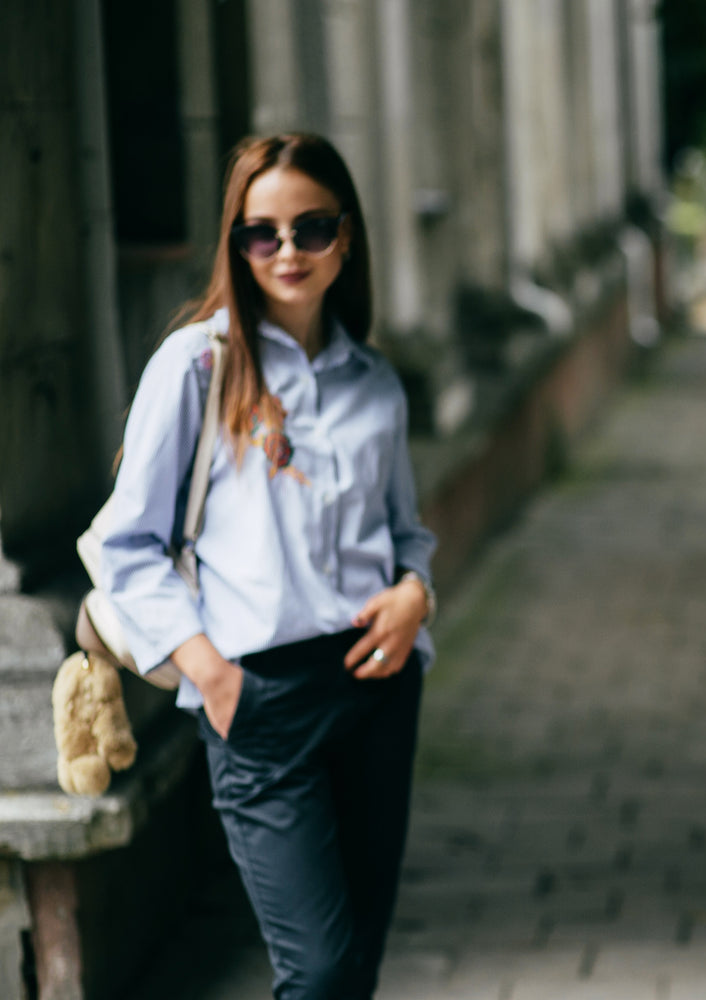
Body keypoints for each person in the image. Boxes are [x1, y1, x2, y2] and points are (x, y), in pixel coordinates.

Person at [101, 133, 437, 999]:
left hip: (376, 688)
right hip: (258, 702)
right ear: (238, 244)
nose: (288, 251)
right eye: (262, 233)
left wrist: (416, 595)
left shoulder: (375, 381)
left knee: (354, 969)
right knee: (317, 975)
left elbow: (405, 533)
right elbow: (122, 544)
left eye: (311, 228)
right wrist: (212, 675)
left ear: (345, 237)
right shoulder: (196, 366)